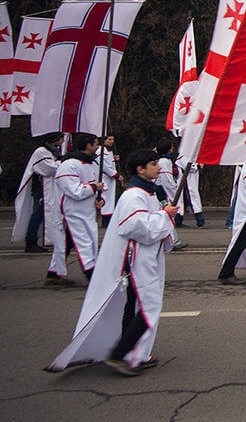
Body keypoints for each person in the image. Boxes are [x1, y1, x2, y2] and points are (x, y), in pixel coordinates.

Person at [46, 149, 177, 376]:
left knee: (135, 305)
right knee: (149, 306)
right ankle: (120, 355)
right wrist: (164, 216)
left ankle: (131, 352)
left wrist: (164, 215)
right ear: (140, 169)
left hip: (146, 258)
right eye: (153, 164)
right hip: (137, 261)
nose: (158, 167)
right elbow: (133, 227)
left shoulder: (147, 192)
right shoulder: (133, 195)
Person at [46, 132, 105, 286]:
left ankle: (53, 273)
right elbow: (74, 191)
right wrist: (93, 188)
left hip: (87, 212)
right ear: (88, 146)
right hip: (71, 212)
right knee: (85, 244)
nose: (98, 147)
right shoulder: (69, 165)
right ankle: (93, 278)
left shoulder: (93, 164)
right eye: (96, 143)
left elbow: (97, 187)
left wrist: (99, 199)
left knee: (67, 243)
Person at [12, 132, 62, 253]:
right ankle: (30, 242)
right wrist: (62, 162)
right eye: (61, 139)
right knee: (37, 215)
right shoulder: (41, 151)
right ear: (54, 139)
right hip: (40, 189)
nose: (62, 141)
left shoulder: (53, 151)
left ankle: (37, 240)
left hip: (47, 188)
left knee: (42, 215)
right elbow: (47, 169)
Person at [154, 140, 185, 250]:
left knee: (166, 217)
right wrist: (174, 192)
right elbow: (166, 179)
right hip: (163, 192)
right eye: (171, 147)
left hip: (161, 191)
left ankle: (173, 240)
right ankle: (173, 241)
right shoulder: (164, 161)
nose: (172, 149)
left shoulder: (162, 160)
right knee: (166, 216)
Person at [95, 135, 122, 228]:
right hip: (105, 178)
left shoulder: (108, 151)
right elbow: (104, 165)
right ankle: (105, 220)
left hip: (110, 179)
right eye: (109, 139)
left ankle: (108, 218)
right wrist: (116, 175)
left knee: (110, 199)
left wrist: (114, 160)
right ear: (104, 140)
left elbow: (109, 163)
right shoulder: (100, 151)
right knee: (106, 198)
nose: (111, 141)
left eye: (113, 139)